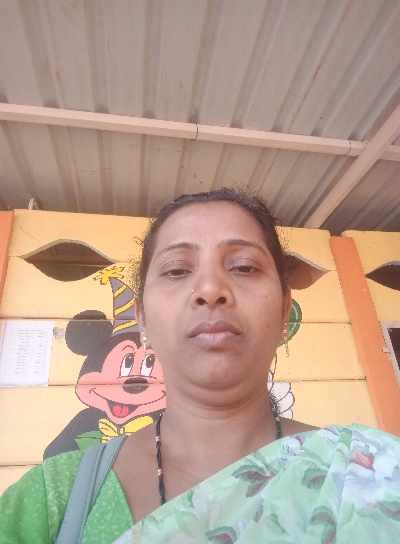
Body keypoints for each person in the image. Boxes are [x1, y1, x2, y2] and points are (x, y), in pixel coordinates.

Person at [1, 188, 399, 543]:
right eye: (177, 270)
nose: (210, 290)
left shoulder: (367, 473)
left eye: (244, 267)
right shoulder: (52, 499)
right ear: (142, 319)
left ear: (283, 310)